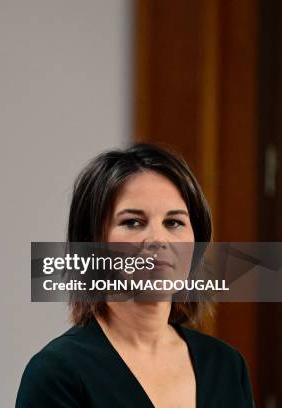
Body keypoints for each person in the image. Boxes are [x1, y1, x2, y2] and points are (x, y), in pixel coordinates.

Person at [16, 144, 254, 407]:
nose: (157, 239)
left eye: (173, 222)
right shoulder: (56, 373)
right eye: (132, 222)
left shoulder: (227, 365)